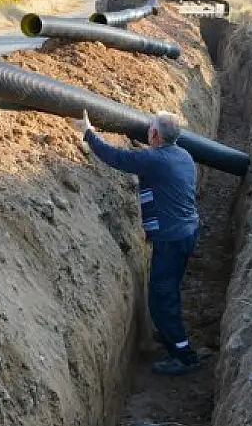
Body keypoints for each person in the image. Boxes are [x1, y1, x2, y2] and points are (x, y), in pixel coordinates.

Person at [72, 109, 202, 376]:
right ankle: (169, 338)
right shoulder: (184, 156)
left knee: (161, 298)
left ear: (154, 134)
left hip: (171, 239)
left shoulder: (156, 160)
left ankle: (184, 355)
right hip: (185, 233)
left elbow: (116, 157)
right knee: (169, 290)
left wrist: (88, 132)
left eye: (149, 128)